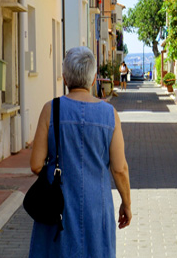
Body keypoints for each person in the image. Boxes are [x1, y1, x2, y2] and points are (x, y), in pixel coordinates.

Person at [29, 46, 132, 258]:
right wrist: (126, 203)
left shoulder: (51, 109)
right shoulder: (109, 115)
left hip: (58, 211)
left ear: (65, 78)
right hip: (98, 209)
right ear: (94, 79)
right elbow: (120, 169)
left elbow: (36, 164)